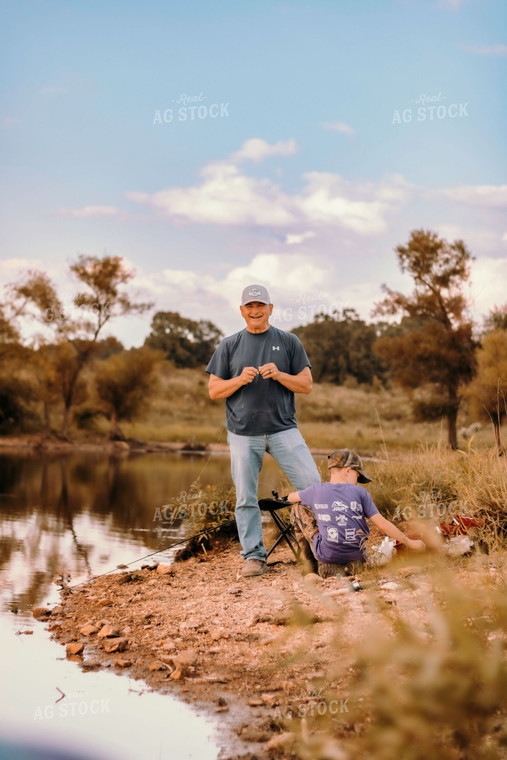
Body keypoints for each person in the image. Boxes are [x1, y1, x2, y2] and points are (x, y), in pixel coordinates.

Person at [206, 284, 321, 578]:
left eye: (260, 305)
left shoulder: (289, 341)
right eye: (249, 306)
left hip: (284, 430)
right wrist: (239, 380)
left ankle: (320, 550)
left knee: (313, 488)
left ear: (271, 308)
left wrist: (281, 375)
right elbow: (214, 391)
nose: (255, 311)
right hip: (244, 433)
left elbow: (306, 385)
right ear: (241, 310)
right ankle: (255, 558)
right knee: (245, 497)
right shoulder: (229, 344)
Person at [286, 448, 425, 576]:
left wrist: (290, 498)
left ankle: (309, 565)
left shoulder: (315, 490)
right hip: (357, 560)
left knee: (297, 506)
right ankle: (347, 563)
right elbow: (382, 524)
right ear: (348, 471)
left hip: (327, 560)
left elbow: (291, 497)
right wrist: (409, 542)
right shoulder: (360, 492)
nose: (357, 481)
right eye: (358, 476)